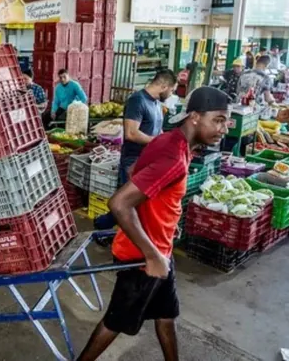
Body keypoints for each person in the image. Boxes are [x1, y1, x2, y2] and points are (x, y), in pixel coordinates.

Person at [77, 87, 231, 361]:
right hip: (142, 257)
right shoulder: (174, 157)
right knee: (115, 322)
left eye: (226, 121)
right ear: (195, 117)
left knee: (166, 315)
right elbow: (119, 203)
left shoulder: (170, 141)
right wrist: (152, 255)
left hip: (159, 249)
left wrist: (167, 221)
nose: (224, 128)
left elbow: (134, 172)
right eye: (218, 120)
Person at [94, 69, 176, 232]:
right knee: (127, 203)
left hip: (148, 161)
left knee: (135, 204)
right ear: (164, 86)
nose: (171, 94)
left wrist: (166, 141)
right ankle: (103, 226)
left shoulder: (156, 104)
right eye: (172, 90)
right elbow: (131, 133)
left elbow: (156, 131)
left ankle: (110, 228)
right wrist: (158, 142)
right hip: (133, 162)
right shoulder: (137, 100)